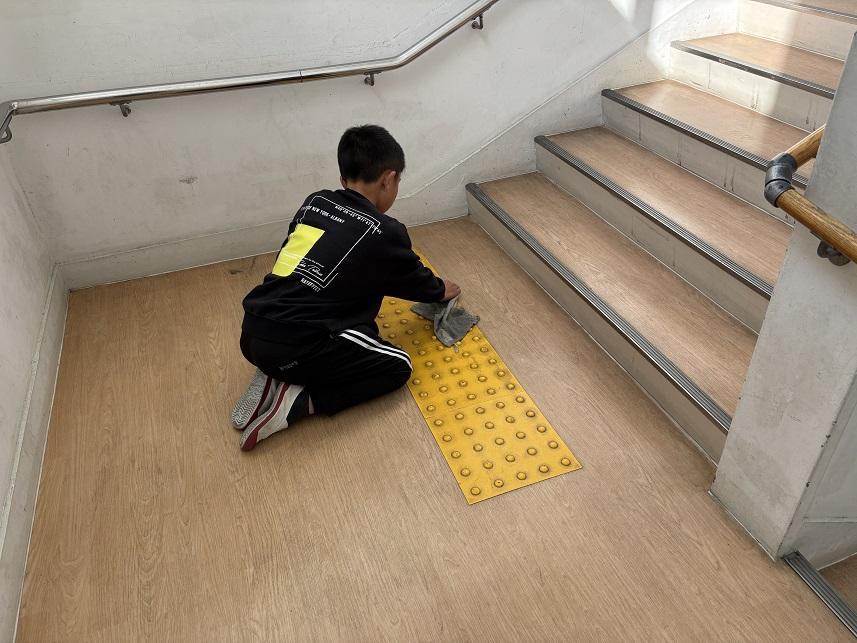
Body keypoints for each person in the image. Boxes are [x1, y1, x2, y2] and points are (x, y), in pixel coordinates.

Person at [232, 124, 460, 450]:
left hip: (253, 329)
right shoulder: (385, 231)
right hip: (297, 344)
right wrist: (439, 290)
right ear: (388, 179)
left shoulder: (315, 202)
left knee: (352, 317)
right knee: (398, 366)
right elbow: (413, 280)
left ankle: (276, 372)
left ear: (343, 179)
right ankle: (299, 402)